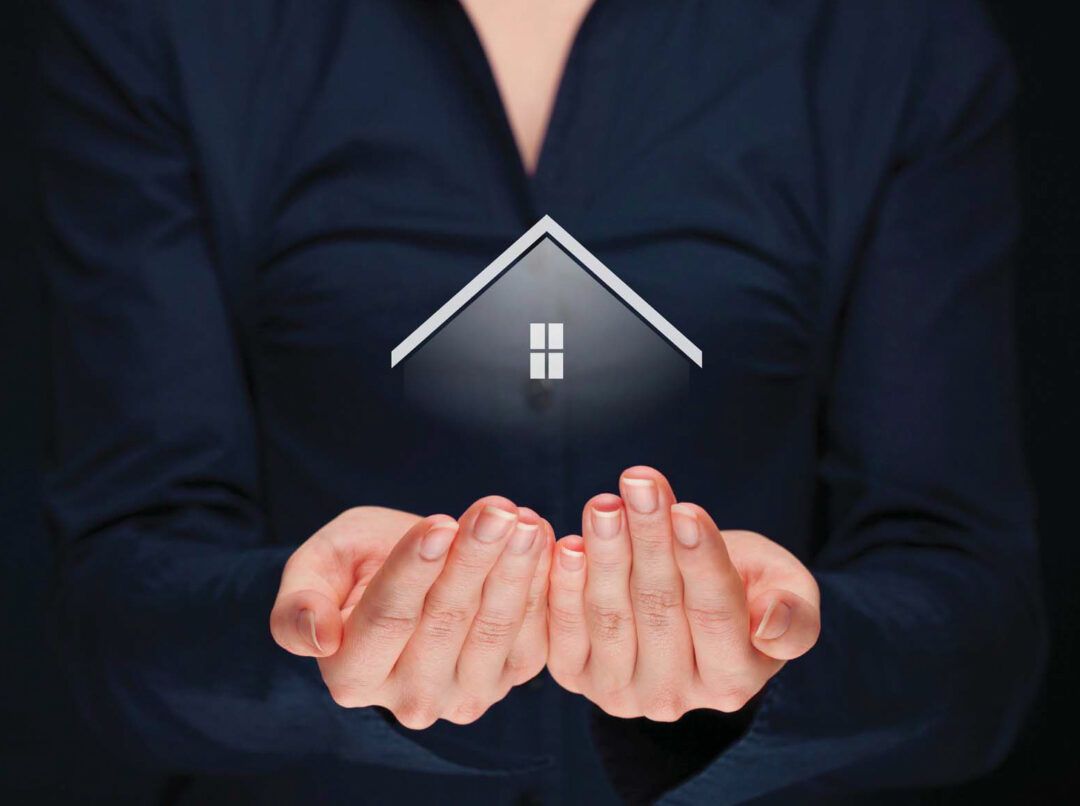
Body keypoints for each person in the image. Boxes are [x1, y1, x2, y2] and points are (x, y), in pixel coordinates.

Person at [40, 0, 1045, 803]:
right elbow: (114, 612)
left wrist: (790, 646)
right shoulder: (159, 27)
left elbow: (978, 637)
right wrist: (307, 632)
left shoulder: (892, 36)